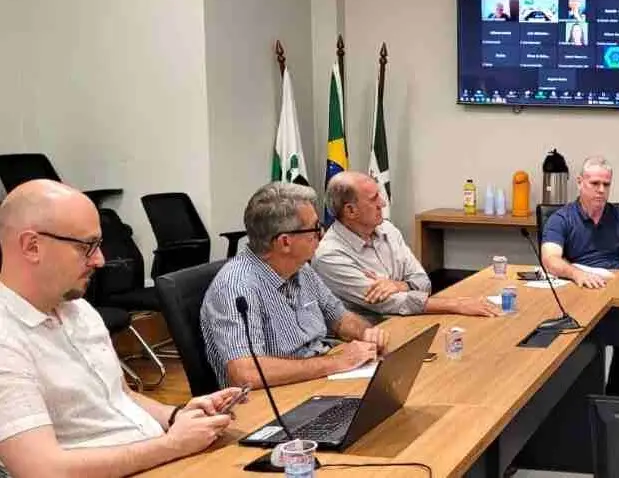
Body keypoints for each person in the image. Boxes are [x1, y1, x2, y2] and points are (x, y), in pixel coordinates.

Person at [0, 180, 243, 477]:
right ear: (32, 246)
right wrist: (173, 445)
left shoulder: (78, 309)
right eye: (86, 246)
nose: (100, 260)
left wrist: (178, 416)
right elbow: (43, 470)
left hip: (158, 457)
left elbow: (120, 396)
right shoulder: (7, 338)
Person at [201, 182, 390, 389]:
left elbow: (339, 318)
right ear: (285, 242)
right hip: (274, 397)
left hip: (318, 379)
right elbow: (246, 373)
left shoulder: (301, 269)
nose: (322, 235)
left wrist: (365, 333)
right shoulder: (236, 287)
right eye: (315, 228)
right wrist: (336, 362)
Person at [313, 171, 499, 322]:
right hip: (367, 337)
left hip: (410, 320)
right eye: (374, 198)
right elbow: (389, 303)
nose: (382, 203)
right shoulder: (329, 256)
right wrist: (456, 304)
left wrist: (397, 285)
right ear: (350, 210)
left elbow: (423, 283)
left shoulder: (387, 229)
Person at [541, 155, 619, 396]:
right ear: (580, 182)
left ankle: (615, 399)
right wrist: (576, 273)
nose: (601, 190)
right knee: (580, 348)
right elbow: (550, 259)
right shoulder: (561, 218)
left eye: (606, 184)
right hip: (578, 293)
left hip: (615, 293)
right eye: (595, 183)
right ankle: (578, 398)